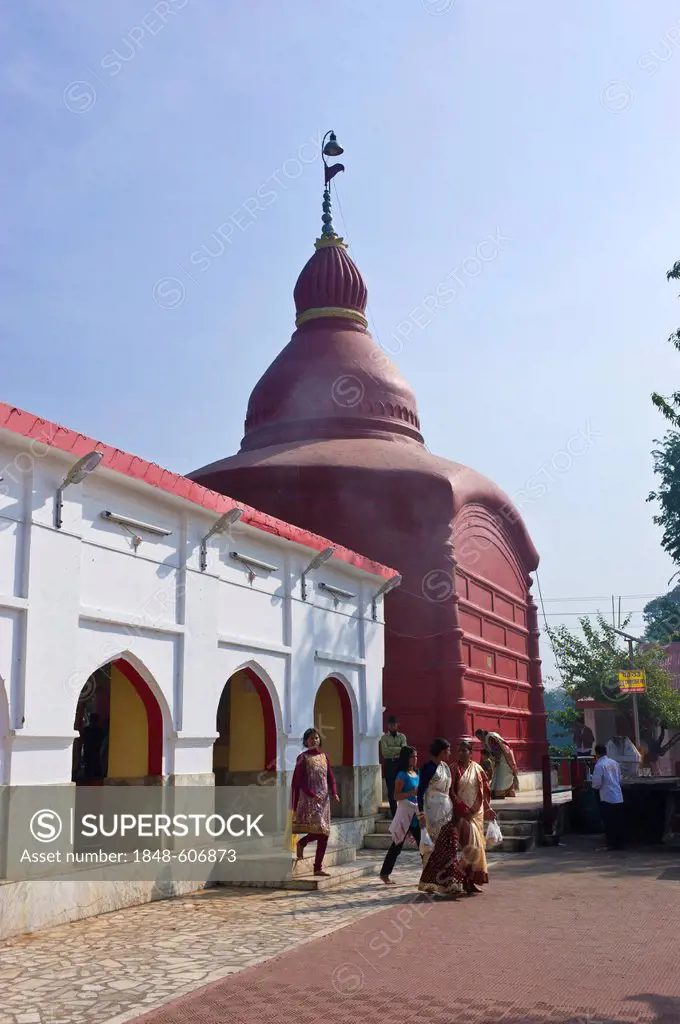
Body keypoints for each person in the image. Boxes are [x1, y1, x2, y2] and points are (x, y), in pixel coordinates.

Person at [416, 738, 467, 897]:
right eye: (447, 751)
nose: (450, 753)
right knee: (436, 849)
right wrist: (421, 813)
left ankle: (449, 883)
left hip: (446, 810)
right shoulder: (428, 768)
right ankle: (441, 883)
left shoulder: (445, 767)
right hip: (432, 811)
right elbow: (420, 792)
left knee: (450, 845)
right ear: (441, 751)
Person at [292, 727, 340, 877]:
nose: (315, 740)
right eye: (311, 738)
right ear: (306, 741)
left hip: (324, 799)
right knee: (320, 829)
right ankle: (302, 843)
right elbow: (299, 781)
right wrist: (312, 795)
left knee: (324, 833)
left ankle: (317, 866)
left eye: (317, 738)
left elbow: (330, 777)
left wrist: (334, 792)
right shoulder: (302, 757)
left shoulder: (325, 757)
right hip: (309, 798)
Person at [454, 738, 496, 894]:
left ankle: (470, 881)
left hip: (476, 812)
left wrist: (488, 808)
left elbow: (484, 791)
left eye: (464, 750)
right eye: (459, 750)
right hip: (462, 814)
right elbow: (452, 792)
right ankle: (458, 875)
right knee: (470, 847)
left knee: (478, 848)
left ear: (471, 753)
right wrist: (463, 808)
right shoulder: (454, 769)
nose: (461, 753)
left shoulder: (478, 769)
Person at [380, 745, 420, 885]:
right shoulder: (401, 775)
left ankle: (429, 874)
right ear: (406, 758)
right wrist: (411, 793)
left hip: (417, 814)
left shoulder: (417, 773)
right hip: (405, 814)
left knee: (424, 845)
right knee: (397, 846)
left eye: (416, 756)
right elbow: (396, 795)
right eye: (412, 756)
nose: (415, 759)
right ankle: (385, 873)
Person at [591, 743, 625, 851]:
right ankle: (619, 843)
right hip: (618, 795)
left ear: (596, 754)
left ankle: (611, 843)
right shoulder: (614, 763)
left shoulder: (599, 765)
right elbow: (619, 778)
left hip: (606, 796)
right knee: (618, 821)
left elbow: (596, 784)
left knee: (609, 822)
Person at [380, 716, 407, 818]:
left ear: (397, 725)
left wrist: (392, 749)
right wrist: (398, 749)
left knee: (402, 788)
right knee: (391, 790)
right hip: (390, 764)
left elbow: (404, 750)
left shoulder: (402, 737)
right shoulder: (384, 738)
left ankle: (403, 811)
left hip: (400, 764)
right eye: (391, 724)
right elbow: (385, 752)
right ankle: (395, 813)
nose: (393, 726)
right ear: (388, 725)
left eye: (394, 724)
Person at [487, 730, 520, 798]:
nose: (492, 742)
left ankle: (507, 791)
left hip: (506, 767)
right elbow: (496, 757)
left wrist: (512, 767)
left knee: (499, 791)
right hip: (500, 767)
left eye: (493, 740)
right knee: (494, 789)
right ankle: (508, 791)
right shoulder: (494, 747)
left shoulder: (504, 746)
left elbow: (508, 757)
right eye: (490, 740)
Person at [81, 712, 105, 779]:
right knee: (88, 766)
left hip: (95, 751)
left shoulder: (98, 731)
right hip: (89, 751)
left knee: (95, 765)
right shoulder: (87, 730)